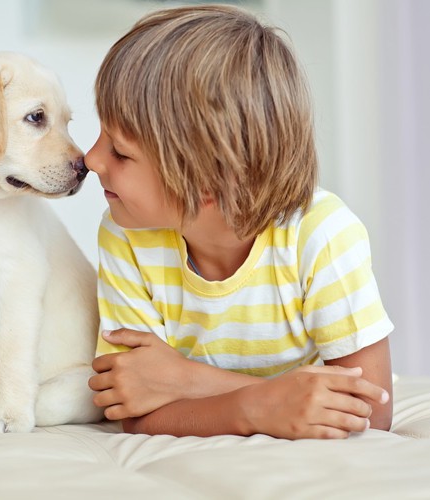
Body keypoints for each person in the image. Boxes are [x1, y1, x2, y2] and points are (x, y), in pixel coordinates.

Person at [84, 4, 393, 440]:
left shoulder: (321, 235)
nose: (90, 159)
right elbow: (131, 407)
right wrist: (258, 406)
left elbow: (368, 411)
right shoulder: (124, 234)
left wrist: (190, 382)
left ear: (209, 181)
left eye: (120, 152)